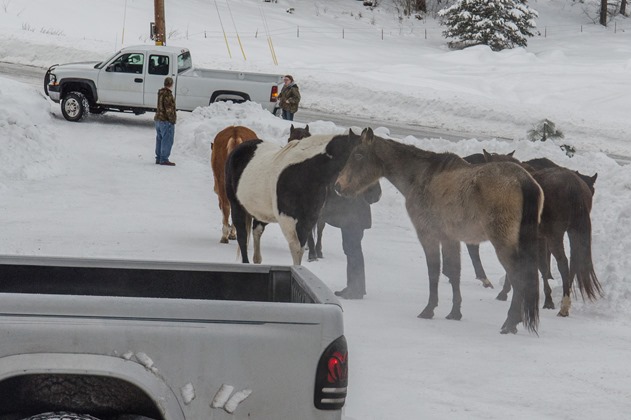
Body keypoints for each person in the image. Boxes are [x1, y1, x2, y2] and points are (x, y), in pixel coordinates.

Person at [323, 182, 382, 300]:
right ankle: (354, 286)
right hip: (349, 216)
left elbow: (376, 194)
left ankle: (356, 289)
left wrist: (359, 199)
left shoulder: (363, 170)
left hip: (355, 216)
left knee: (353, 250)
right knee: (350, 250)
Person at [155, 76, 177, 166]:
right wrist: (172, 120)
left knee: (159, 139)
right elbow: (169, 109)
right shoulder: (168, 95)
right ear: (171, 84)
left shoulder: (161, 93)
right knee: (167, 140)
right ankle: (164, 159)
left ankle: (159, 157)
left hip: (158, 119)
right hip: (165, 121)